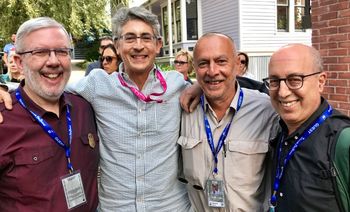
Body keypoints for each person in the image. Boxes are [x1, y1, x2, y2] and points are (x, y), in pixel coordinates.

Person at [65, 7, 192, 211]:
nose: (138, 46)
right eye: (130, 38)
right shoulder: (98, 85)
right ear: (117, 45)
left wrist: (198, 88)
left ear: (158, 44)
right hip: (115, 207)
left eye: (146, 38)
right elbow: (49, 90)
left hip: (169, 206)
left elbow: (215, 88)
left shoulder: (177, 85)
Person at [0, 17, 99, 212]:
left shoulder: (85, 108)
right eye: (41, 52)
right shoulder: (4, 121)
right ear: (19, 62)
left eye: (62, 51)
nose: (53, 61)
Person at [178, 32, 278, 211]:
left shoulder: (267, 111)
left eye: (221, 61)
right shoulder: (183, 111)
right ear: (194, 67)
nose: (212, 71)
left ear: (238, 64)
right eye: (203, 63)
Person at [263, 43, 350, 211]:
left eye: (295, 80)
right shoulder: (278, 129)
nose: (282, 92)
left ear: (321, 81)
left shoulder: (343, 142)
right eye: (274, 81)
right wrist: (201, 87)